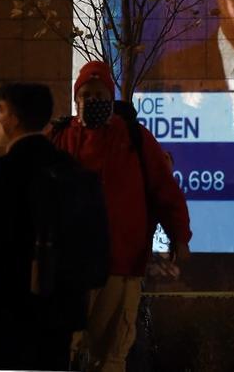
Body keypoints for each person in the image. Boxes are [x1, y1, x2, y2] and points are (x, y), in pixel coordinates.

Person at [51, 61, 193, 372]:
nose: (91, 100)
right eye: (85, 93)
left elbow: (164, 191)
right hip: (71, 268)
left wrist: (180, 236)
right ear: (76, 99)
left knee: (112, 353)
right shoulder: (60, 138)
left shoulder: (134, 139)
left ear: (111, 98)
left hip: (121, 264)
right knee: (68, 351)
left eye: (99, 93)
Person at [0, 83, 108, 371]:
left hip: (11, 311)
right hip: (59, 311)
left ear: (15, 119)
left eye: (1, 111)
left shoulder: (5, 171)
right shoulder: (69, 167)